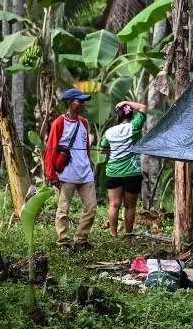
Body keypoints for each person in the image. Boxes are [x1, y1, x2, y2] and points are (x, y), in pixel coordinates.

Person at [45, 88, 96, 252]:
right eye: (79, 101)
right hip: (66, 173)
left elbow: (85, 147)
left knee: (91, 207)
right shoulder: (59, 123)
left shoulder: (84, 123)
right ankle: (63, 241)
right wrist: (51, 174)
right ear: (69, 103)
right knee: (63, 209)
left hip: (85, 173)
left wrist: (89, 163)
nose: (82, 104)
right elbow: (51, 149)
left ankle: (81, 239)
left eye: (83, 101)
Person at [100, 100, 146, 237]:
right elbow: (142, 107)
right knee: (130, 206)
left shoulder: (109, 132)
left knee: (114, 205)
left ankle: (113, 234)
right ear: (131, 115)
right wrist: (125, 102)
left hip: (113, 172)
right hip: (132, 173)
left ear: (118, 116)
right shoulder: (134, 126)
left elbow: (103, 150)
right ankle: (128, 235)